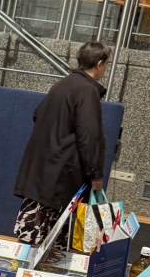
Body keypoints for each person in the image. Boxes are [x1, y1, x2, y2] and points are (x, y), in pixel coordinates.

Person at [13, 39, 110, 244]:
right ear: (100, 63)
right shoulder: (87, 90)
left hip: (41, 172)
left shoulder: (63, 83)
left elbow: (37, 114)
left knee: (31, 237)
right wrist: (95, 174)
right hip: (60, 177)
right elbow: (89, 135)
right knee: (51, 241)